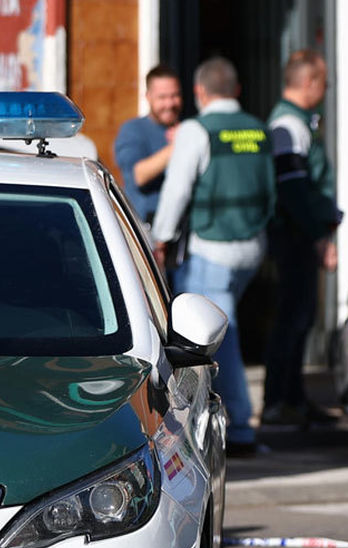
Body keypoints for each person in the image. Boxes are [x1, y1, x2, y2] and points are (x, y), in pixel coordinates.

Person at [152, 57, 276, 457]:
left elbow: (177, 191)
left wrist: (161, 238)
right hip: (251, 247)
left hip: (212, 249)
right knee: (225, 329)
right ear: (236, 90)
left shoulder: (196, 129)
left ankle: (239, 426)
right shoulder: (259, 129)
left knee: (217, 338)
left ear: (200, 92)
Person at [260, 49, 342, 428]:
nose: (325, 90)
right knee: (292, 318)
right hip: (295, 238)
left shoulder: (295, 123)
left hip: (300, 235)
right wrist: (318, 236)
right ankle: (279, 401)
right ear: (308, 82)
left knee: (301, 317)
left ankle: (294, 397)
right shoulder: (289, 127)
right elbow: (294, 191)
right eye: (323, 82)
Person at [113, 65, 182, 226]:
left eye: (175, 96)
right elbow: (138, 176)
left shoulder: (189, 128)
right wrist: (178, 145)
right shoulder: (133, 130)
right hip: (146, 231)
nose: (169, 103)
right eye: (162, 97)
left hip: (185, 231)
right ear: (148, 97)